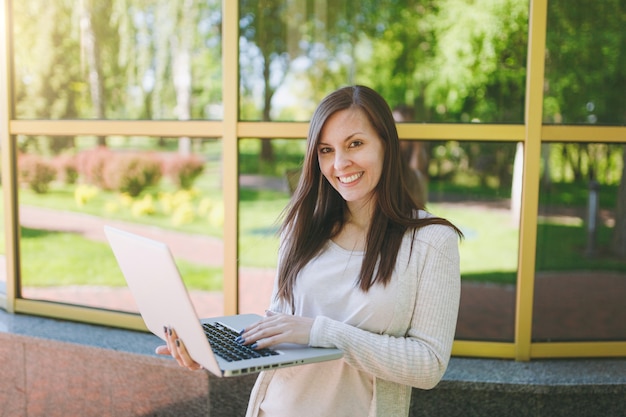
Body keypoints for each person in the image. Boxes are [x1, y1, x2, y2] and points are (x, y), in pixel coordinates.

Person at [157, 85, 463, 417]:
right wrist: (213, 353)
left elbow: (429, 365)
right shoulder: (302, 228)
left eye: (355, 144)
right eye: (326, 150)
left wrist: (320, 332)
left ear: (386, 145)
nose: (340, 164)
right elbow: (282, 326)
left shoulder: (432, 240)